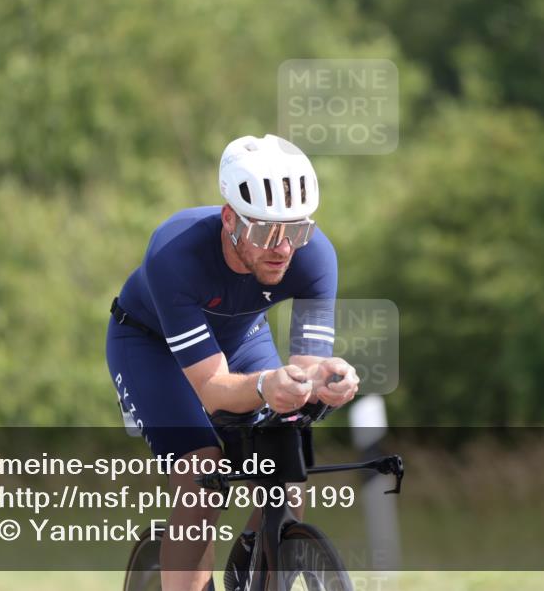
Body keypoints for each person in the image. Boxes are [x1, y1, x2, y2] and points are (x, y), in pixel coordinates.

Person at [106, 134, 361, 591]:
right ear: (230, 219)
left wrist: (326, 381)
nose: (283, 248)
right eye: (266, 230)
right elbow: (214, 388)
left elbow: (305, 370)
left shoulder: (315, 254)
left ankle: (250, 571)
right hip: (150, 346)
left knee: (284, 473)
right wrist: (266, 385)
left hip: (241, 337)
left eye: (297, 229)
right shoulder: (174, 253)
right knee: (202, 475)